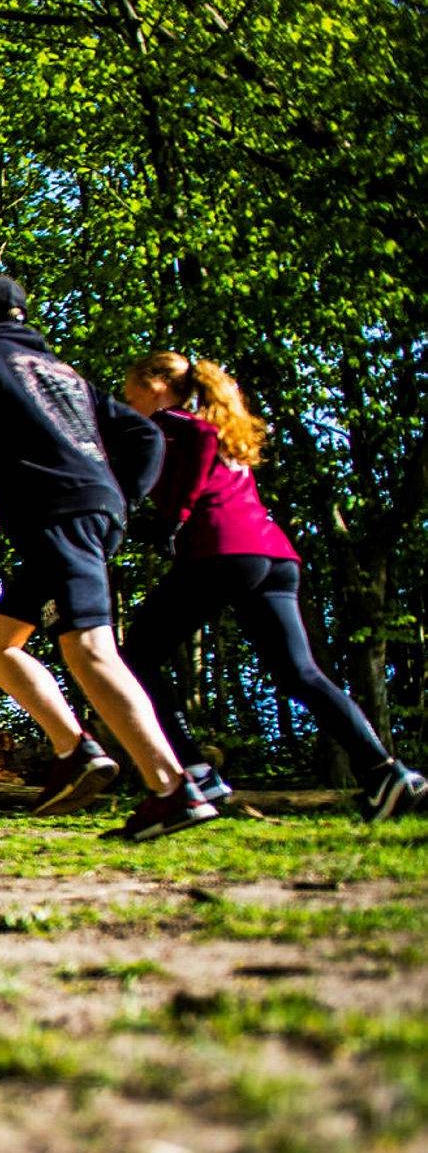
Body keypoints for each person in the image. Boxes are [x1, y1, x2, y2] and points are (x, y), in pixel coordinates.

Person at [0, 272, 214, 841]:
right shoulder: (65, 375)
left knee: (90, 647)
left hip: (57, 515)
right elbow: (146, 438)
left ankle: (173, 788)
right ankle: (74, 750)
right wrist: (118, 498)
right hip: (81, 517)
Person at [117, 352, 425, 822]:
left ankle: (196, 771)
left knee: (135, 653)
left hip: (220, 553)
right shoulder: (202, 429)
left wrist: (174, 518)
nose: (128, 400)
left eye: (131, 390)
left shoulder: (177, 423)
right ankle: (384, 773)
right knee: (299, 673)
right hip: (271, 556)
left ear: (158, 385)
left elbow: (198, 450)